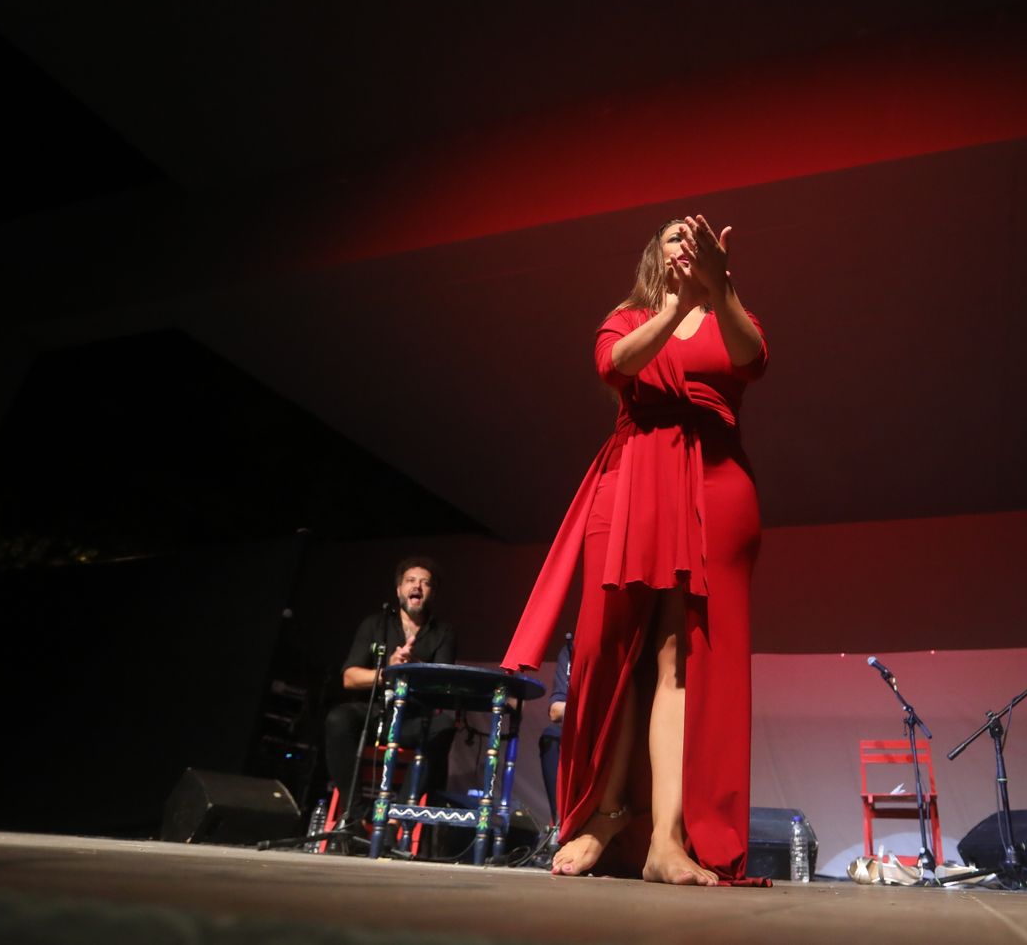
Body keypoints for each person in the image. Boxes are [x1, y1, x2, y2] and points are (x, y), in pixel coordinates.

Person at [502, 214, 768, 886]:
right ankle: (604, 814)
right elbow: (612, 365)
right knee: (607, 648)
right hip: (633, 480)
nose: (686, 243)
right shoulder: (627, 316)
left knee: (682, 655)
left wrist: (720, 285)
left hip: (713, 481)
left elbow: (752, 359)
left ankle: (668, 839)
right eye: (674, 235)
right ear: (655, 253)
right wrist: (674, 305)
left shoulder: (729, 312)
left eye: (695, 237)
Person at [324, 557, 458, 826]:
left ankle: (395, 816)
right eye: (410, 581)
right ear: (398, 589)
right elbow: (349, 678)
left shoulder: (444, 632)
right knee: (339, 719)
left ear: (432, 593)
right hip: (375, 714)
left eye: (425, 583)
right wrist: (389, 671)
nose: (417, 586)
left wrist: (416, 667)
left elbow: (444, 685)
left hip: (413, 718)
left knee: (443, 726)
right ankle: (357, 815)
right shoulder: (376, 624)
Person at [538, 634, 572, 824]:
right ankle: (559, 825)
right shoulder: (570, 648)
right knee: (551, 736)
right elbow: (556, 710)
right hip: (580, 730)